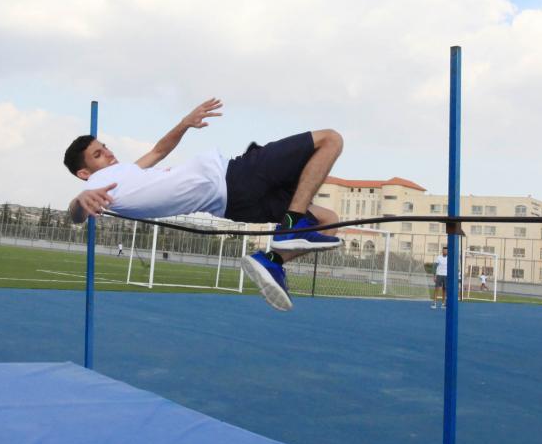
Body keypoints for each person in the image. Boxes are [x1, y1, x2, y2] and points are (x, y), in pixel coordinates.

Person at [64, 98, 343, 311]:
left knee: (328, 221)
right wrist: (78, 200)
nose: (109, 153)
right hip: (235, 176)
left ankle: (272, 261)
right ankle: (292, 226)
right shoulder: (96, 185)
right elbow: (75, 215)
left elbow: (159, 150)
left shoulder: (126, 175)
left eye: (105, 146)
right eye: (98, 154)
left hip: (234, 205)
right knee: (330, 139)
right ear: (84, 174)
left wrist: (185, 122)